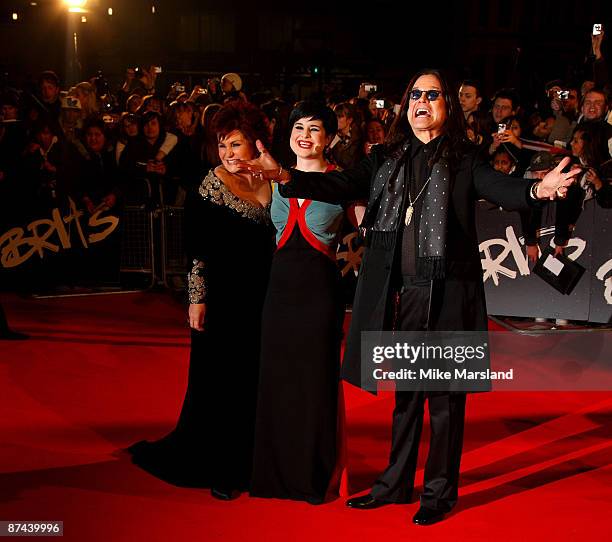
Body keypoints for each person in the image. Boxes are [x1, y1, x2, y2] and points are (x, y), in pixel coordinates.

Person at [243, 68, 578, 525]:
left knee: (444, 400)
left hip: (450, 293)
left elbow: (499, 188)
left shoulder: (464, 157)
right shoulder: (386, 157)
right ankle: (394, 485)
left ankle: (439, 494)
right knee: (406, 397)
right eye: (415, 94)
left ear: (447, 107)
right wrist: (283, 174)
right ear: (407, 104)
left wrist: (538, 189)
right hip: (403, 295)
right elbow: (337, 184)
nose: (422, 100)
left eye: (433, 95)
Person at [128, 101, 274, 500]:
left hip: (264, 299)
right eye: (223, 145)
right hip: (223, 300)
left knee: (256, 381)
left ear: (255, 144)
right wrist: (196, 299)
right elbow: (197, 249)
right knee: (222, 383)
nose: (228, 153)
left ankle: (256, 460)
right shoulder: (210, 185)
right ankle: (223, 467)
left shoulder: (274, 182)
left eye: (236, 144)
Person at [250, 101, 345, 504]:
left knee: (313, 383)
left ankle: (311, 474)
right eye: (298, 127)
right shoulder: (272, 179)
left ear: (330, 138)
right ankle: (272, 474)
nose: (304, 135)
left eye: (315, 128)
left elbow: (374, 226)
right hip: (278, 293)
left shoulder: (341, 181)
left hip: (319, 296)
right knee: (277, 381)